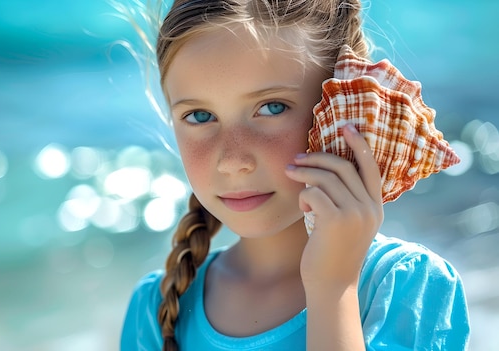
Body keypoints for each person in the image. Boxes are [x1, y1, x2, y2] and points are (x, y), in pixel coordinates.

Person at [120, 0, 470, 350]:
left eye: (272, 107)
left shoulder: (407, 288)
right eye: (199, 116)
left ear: (343, 107)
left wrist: (333, 288)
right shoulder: (156, 307)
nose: (232, 160)